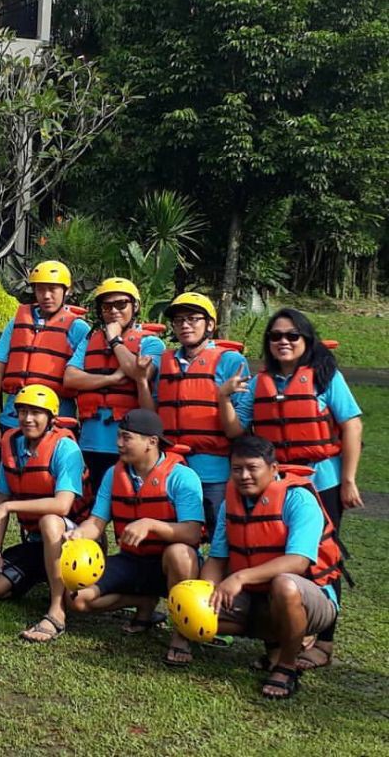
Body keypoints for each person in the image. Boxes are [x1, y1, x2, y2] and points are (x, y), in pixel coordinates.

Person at [219, 307, 362, 670]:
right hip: (276, 481)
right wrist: (224, 398)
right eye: (275, 336)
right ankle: (281, 638)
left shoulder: (326, 377)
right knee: (269, 552)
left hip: (321, 480)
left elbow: (351, 426)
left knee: (324, 559)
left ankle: (323, 644)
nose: (283, 341)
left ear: (306, 340)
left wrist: (348, 480)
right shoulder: (259, 382)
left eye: (292, 336)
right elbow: (237, 431)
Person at [200, 434, 343, 699]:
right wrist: (204, 593)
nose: (244, 476)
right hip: (257, 595)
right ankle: (278, 645)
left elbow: (298, 562)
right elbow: (217, 558)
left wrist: (240, 577)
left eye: (252, 468)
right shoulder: (230, 502)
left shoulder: (298, 499)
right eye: (236, 469)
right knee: (198, 609)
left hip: (311, 598)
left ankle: (287, 667)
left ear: (273, 468)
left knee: (285, 585)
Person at [67, 409, 203, 665]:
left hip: (168, 564)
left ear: (152, 441)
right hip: (131, 560)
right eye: (118, 436)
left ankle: (181, 635)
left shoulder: (182, 476)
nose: (118, 443)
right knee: (77, 600)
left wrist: (151, 525)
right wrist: (78, 534)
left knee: (180, 553)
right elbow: (97, 522)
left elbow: (192, 532)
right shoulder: (113, 474)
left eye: (126, 437)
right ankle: (144, 601)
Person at [0, 385, 86, 643]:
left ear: (51, 418)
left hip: (75, 541)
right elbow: (2, 496)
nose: (27, 419)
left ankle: (57, 610)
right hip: (37, 541)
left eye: (36, 412)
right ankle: (44, 574)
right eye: (22, 411)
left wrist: (11, 507)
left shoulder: (66, 449)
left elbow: (62, 506)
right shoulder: (12, 445)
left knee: (49, 521)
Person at [156, 292, 250, 533]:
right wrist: (139, 380)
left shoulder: (230, 361)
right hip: (171, 465)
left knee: (219, 534)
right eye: (178, 321)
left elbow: (240, 426)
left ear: (210, 324)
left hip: (213, 467)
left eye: (193, 319)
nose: (185, 325)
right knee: (173, 533)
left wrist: (223, 395)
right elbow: (154, 412)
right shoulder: (163, 362)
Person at [63, 277, 165, 494]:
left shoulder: (151, 343)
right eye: (107, 306)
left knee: (126, 509)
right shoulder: (90, 340)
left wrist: (114, 341)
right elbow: (70, 378)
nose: (114, 311)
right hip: (89, 442)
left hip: (130, 445)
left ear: (135, 306)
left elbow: (140, 374)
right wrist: (112, 379)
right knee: (88, 511)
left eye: (121, 304)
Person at [0, 261, 89, 450]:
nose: (46, 296)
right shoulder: (17, 323)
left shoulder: (78, 328)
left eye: (52, 289)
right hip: (14, 418)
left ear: (67, 291)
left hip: (57, 420)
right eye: (40, 290)